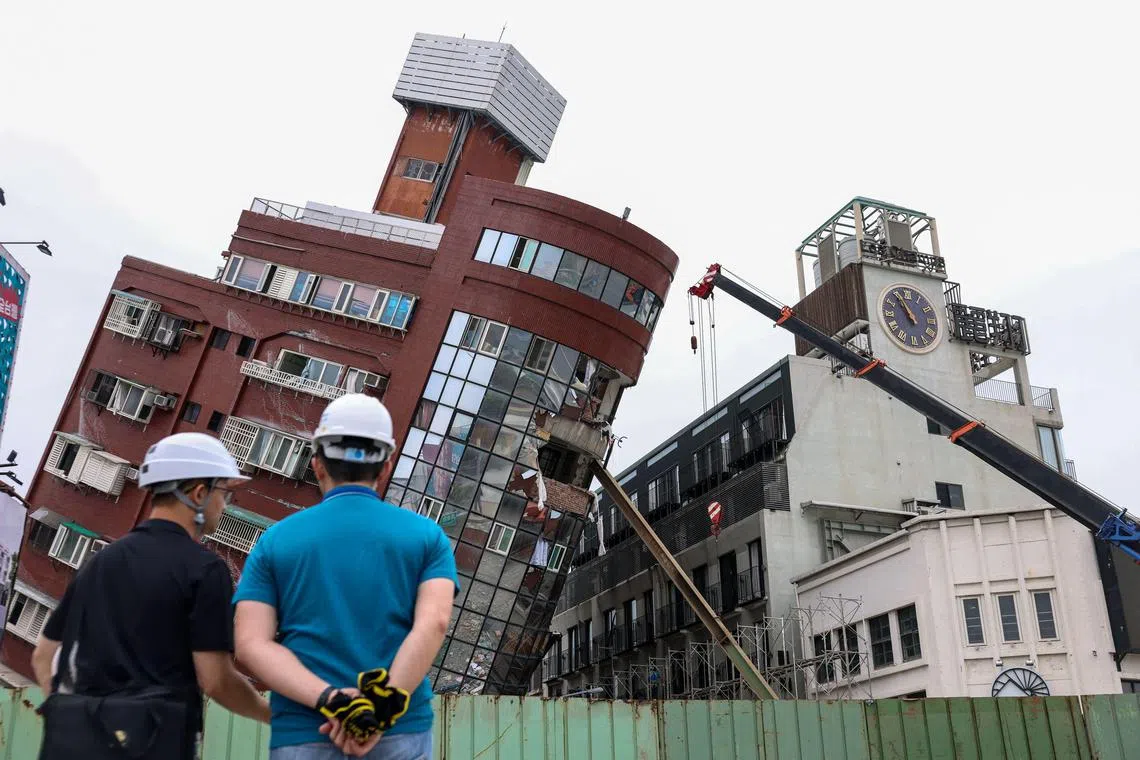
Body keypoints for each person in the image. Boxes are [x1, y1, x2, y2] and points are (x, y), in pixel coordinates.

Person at [234, 394, 457, 759]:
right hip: (400, 730)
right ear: (385, 467)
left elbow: (250, 645)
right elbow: (434, 623)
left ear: (317, 464)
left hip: (304, 729)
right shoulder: (427, 537)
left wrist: (333, 700)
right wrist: (381, 709)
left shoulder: (275, 542)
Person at [32, 432, 270, 759]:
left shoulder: (101, 560)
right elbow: (215, 680)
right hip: (155, 743)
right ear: (199, 494)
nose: (224, 505)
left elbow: (43, 656)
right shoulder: (204, 569)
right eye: (224, 493)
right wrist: (270, 713)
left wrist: (67, 719)